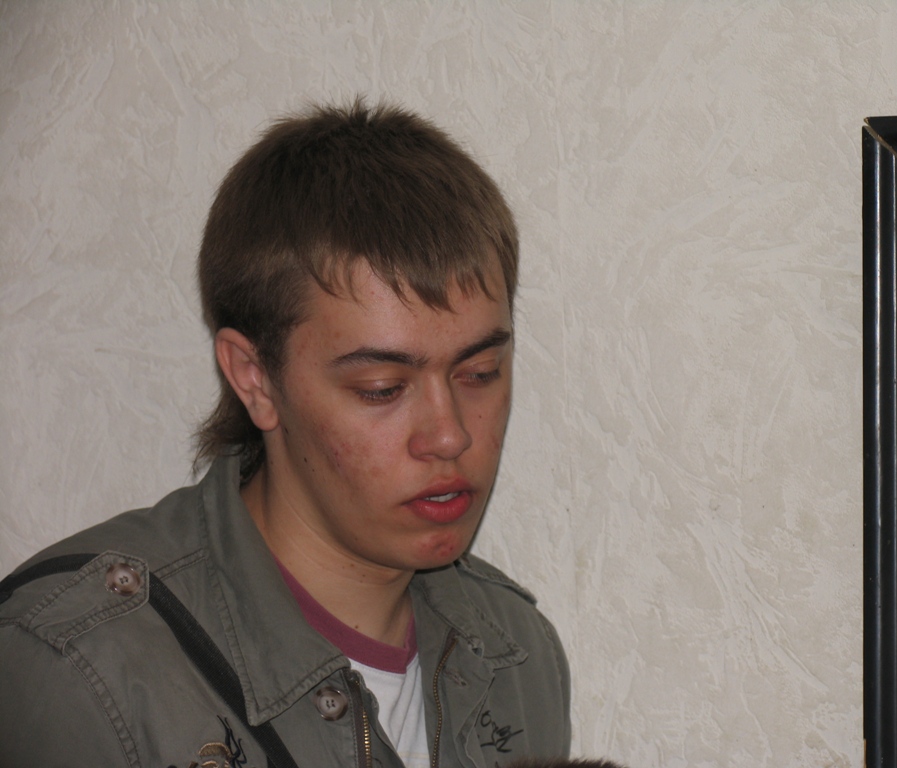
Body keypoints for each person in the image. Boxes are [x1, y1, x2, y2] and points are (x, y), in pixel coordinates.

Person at [0, 100, 570, 768]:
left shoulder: (516, 656)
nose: (449, 437)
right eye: (382, 388)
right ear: (255, 379)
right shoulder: (76, 668)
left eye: (480, 373)